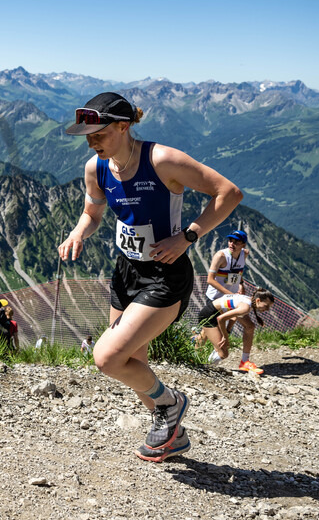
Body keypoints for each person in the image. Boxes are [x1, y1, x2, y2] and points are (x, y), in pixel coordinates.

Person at [58, 92, 242, 463]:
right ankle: (171, 430)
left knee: (108, 358)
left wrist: (188, 236)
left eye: (99, 134)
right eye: (87, 136)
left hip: (165, 272)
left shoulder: (162, 160)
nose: (92, 142)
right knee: (132, 361)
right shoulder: (97, 167)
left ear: (123, 127)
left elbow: (228, 193)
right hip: (126, 271)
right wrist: (79, 231)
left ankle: (171, 404)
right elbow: (92, 212)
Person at [194, 289, 275, 374]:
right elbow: (220, 319)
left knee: (250, 326)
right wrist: (225, 337)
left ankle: (245, 362)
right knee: (223, 354)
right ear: (258, 300)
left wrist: (227, 331)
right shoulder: (245, 307)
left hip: (215, 312)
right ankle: (202, 365)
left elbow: (233, 316)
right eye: (266, 306)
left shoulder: (248, 301)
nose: (267, 309)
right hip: (209, 316)